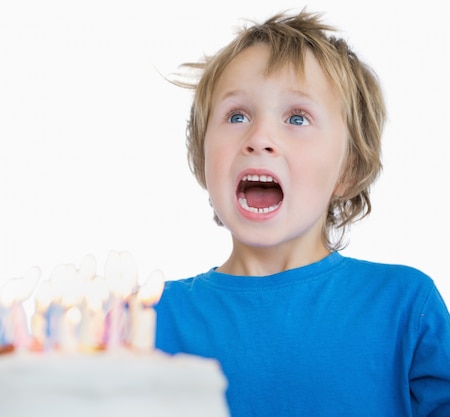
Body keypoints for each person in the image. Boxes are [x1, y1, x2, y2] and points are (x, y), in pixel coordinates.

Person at [154, 10, 450, 417]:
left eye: (297, 118)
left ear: (347, 171)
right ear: (204, 159)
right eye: (237, 115)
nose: (259, 138)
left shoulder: (405, 307)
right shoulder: (147, 319)